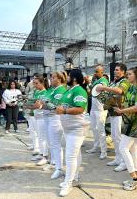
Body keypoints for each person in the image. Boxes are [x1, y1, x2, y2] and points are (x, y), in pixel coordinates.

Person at [113, 67, 137, 191]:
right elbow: (128, 102)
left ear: (136, 75)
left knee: (123, 148)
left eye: (130, 74)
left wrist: (122, 111)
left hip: (135, 123)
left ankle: (134, 178)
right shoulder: (132, 87)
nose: (127, 76)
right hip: (128, 121)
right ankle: (136, 178)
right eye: (127, 74)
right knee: (133, 150)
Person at [55, 69, 88, 197]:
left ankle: (68, 183)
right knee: (76, 154)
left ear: (74, 78)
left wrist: (64, 112)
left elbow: (80, 109)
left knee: (70, 156)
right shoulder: (69, 90)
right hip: (68, 129)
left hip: (77, 129)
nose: (66, 77)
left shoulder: (79, 90)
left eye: (68, 76)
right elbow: (62, 106)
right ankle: (74, 178)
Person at [96, 63, 130, 172]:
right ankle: (118, 158)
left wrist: (104, 87)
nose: (115, 71)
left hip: (121, 113)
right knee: (115, 137)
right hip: (113, 112)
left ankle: (124, 162)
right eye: (115, 70)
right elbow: (109, 94)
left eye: (117, 70)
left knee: (120, 138)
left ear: (123, 72)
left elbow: (120, 91)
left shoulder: (124, 81)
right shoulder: (113, 81)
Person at [43, 72, 67, 179]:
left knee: (56, 144)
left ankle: (59, 168)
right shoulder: (53, 90)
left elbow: (56, 106)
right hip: (49, 117)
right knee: (52, 143)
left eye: (53, 78)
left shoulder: (61, 90)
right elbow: (45, 103)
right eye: (51, 78)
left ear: (59, 79)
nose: (51, 79)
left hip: (55, 118)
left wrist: (45, 103)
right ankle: (55, 164)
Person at [86, 65, 109, 160]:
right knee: (94, 129)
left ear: (102, 72)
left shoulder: (103, 80)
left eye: (97, 71)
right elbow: (90, 91)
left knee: (100, 130)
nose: (95, 73)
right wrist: (88, 83)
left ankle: (104, 151)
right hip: (93, 108)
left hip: (100, 109)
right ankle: (95, 146)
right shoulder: (95, 81)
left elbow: (103, 89)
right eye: (95, 71)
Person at [30, 76, 50, 166]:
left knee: (43, 138)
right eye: (34, 83)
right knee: (40, 137)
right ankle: (41, 154)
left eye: (37, 83)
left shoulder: (46, 93)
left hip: (42, 117)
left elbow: (43, 105)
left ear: (42, 83)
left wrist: (34, 105)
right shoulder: (37, 92)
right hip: (37, 117)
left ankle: (45, 157)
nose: (35, 85)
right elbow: (33, 104)